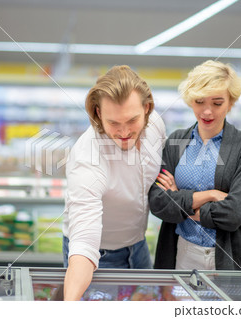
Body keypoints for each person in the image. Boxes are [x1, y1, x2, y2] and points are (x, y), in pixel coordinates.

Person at [62, 65, 166, 300]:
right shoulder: (87, 158)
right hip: (98, 258)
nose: (124, 131)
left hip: (139, 247)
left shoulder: (156, 125)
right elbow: (84, 243)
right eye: (114, 123)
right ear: (98, 113)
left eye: (132, 120)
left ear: (146, 108)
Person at [148, 60, 241, 271]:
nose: (207, 111)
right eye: (200, 101)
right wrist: (210, 195)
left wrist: (181, 203)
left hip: (230, 257)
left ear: (231, 102)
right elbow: (158, 202)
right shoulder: (177, 142)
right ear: (190, 100)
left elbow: (235, 213)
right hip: (180, 252)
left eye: (217, 103)